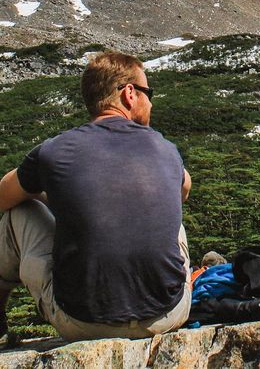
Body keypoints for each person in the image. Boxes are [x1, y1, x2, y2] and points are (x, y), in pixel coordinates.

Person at [0, 52, 192, 344]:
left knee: (19, 212)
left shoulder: (53, 151)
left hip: (82, 322)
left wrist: (54, 198)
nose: (151, 102)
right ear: (130, 94)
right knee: (171, 210)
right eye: (148, 93)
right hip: (168, 314)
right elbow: (184, 188)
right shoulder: (166, 149)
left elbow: (3, 196)